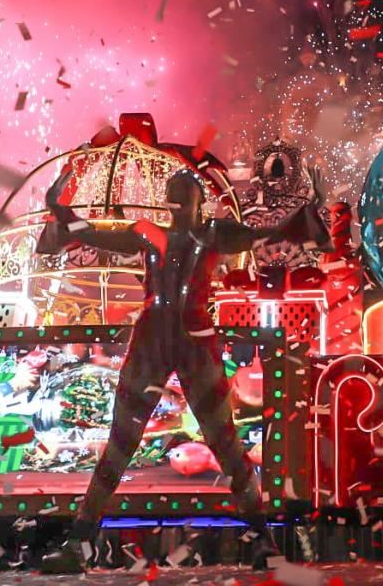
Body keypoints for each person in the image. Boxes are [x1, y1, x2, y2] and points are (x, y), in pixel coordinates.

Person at [35, 164, 330, 566]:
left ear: (197, 199)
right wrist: (62, 214)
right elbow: (93, 233)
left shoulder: (212, 233)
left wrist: (306, 217)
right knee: (121, 442)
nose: (175, 196)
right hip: (155, 342)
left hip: (193, 342)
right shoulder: (149, 232)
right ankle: (77, 543)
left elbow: (266, 234)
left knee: (224, 442)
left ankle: (262, 540)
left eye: (183, 188)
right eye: (171, 189)